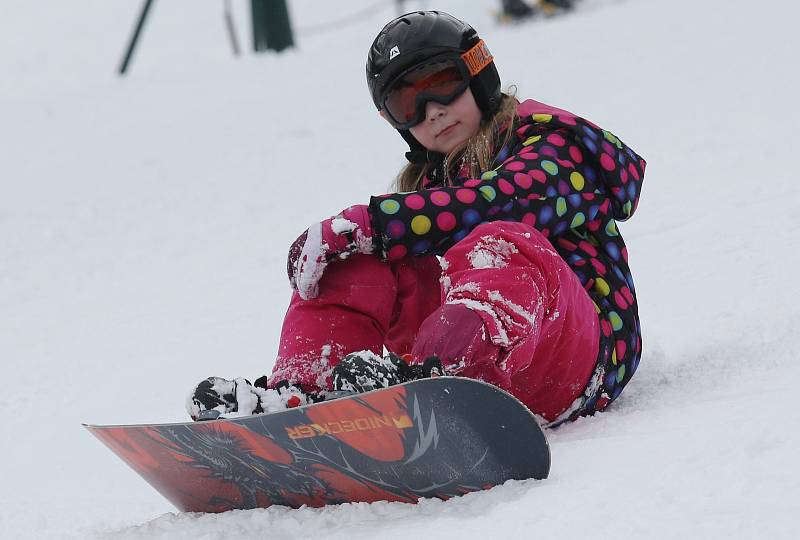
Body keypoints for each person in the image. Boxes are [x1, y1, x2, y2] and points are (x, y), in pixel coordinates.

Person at [187, 10, 646, 427]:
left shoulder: (551, 147)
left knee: (499, 239)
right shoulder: (427, 193)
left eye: (443, 81)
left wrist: (372, 222)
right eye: (408, 104)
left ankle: (442, 383)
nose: (433, 110)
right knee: (358, 259)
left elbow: (502, 201)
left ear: (478, 73)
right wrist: (358, 241)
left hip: (578, 358)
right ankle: (305, 395)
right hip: (473, 362)